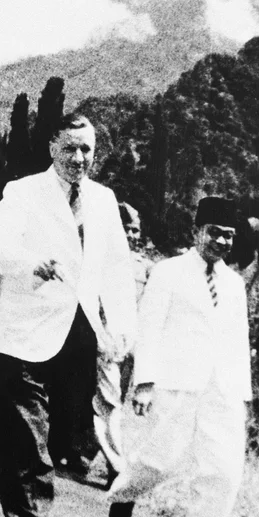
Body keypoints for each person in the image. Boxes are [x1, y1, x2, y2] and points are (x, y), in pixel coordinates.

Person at [0, 113, 137, 517]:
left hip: (79, 339)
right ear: (52, 147)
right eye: (70, 148)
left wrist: (122, 330)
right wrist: (32, 263)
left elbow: (115, 268)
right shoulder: (23, 191)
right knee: (25, 444)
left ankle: (26, 511)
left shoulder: (104, 200)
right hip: (25, 334)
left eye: (87, 150)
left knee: (64, 445)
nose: (79, 159)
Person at [107, 196, 251, 517]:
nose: (222, 241)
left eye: (229, 236)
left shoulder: (234, 285)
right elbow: (149, 328)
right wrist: (144, 381)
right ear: (196, 232)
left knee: (223, 472)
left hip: (221, 390)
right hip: (175, 383)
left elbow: (238, 342)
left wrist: (242, 396)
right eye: (215, 233)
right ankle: (124, 493)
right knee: (160, 461)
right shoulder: (169, 272)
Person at [91, 202, 155, 482]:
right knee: (109, 403)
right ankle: (118, 467)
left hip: (132, 345)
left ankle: (85, 455)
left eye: (135, 231)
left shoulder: (144, 266)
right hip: (106, 343)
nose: (131, 236)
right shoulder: (99, 261)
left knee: (114, 402)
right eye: (126, 229)